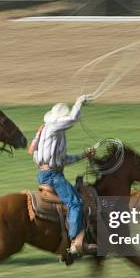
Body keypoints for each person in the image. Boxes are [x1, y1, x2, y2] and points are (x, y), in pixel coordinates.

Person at [30, 94, 95, 259]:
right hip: (53, 175)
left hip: (44, 173)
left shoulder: (45, 131)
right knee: (76, 202)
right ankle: (75, 242)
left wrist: (83, 155)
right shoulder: (53, 128)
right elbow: (73, 118)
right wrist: (80, 101)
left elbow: (62, 159)